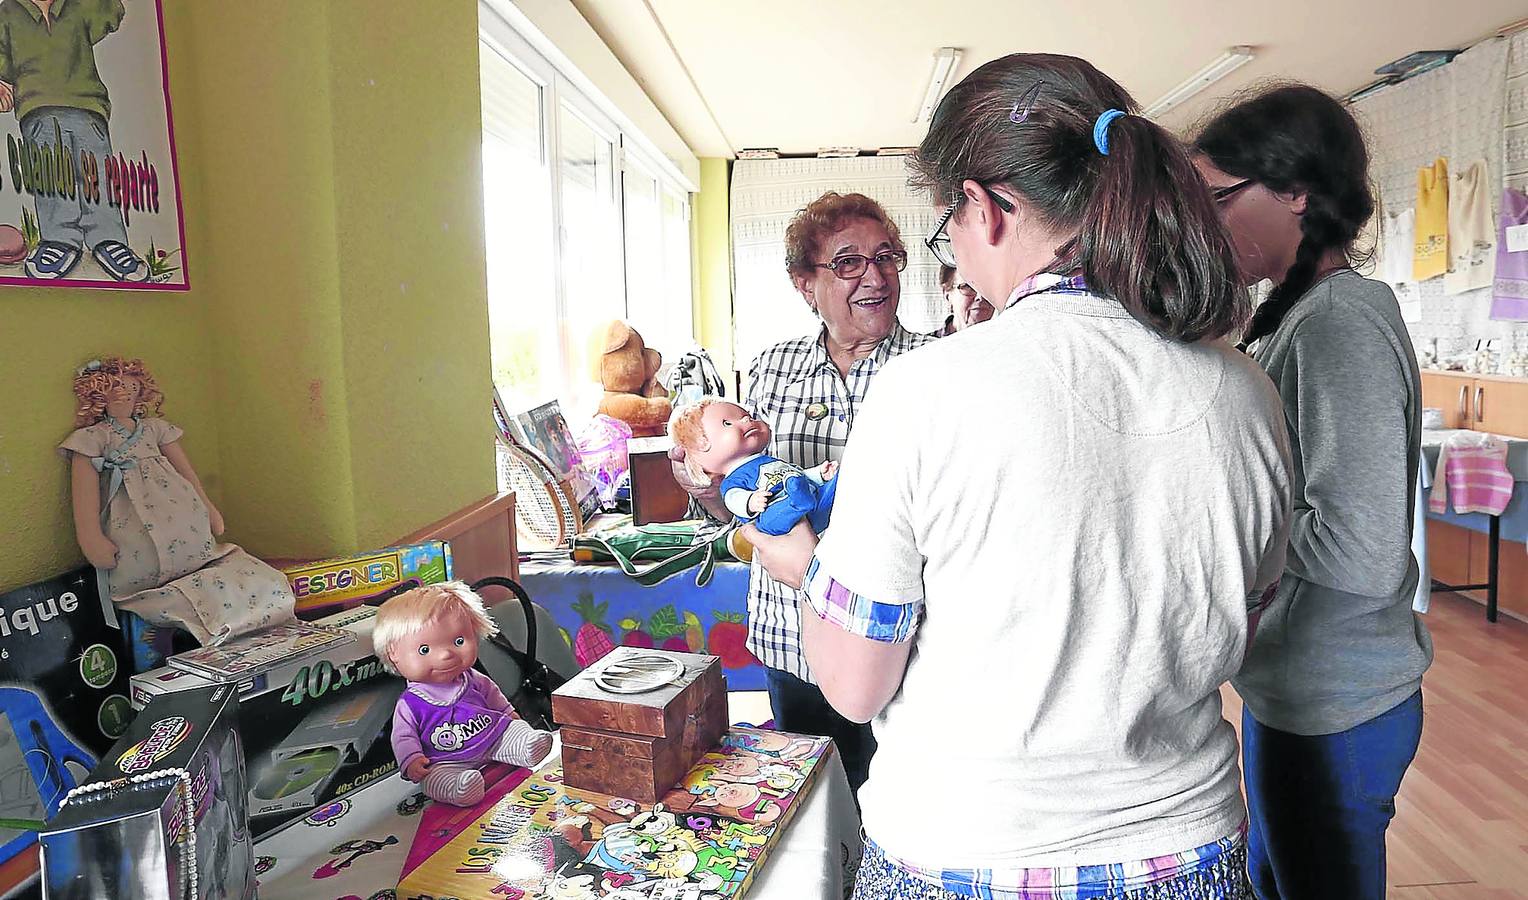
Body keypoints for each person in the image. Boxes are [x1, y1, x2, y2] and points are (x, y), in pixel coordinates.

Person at [748, 54, 1292, 899]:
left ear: (987, 207)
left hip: (970, 853)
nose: (954, 256)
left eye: (943, 230)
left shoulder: (929, 388)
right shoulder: (1246, 392)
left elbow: (854, 689)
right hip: (1189, 851)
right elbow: (1235, 633)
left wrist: (804, 568)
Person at [1194, 84, 1433, 899]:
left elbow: (1363, 550)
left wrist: (1226, 516)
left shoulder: (1340, 322)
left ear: (1298, 190)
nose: (1206, 221)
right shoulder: (1295, 316)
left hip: (1338, 705)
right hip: (1301, 690)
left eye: (1219, 197)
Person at [670, 191, 935, 794]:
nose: (875, 276)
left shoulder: (934, 366)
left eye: (886, 257)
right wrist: (706, 489)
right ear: (804, 284)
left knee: (899, 800)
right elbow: (735, 499)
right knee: (813, 805)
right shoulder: (770, 369)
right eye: (847, 262)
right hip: (791, 634)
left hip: (902, 638)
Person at [0, 0, 148, 281]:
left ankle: (108, 238)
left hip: (87, 105)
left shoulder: (80, 6)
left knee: (96, 173)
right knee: (52, 175)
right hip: (37, 107)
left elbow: (112, 11)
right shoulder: (7, 13)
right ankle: (60, 240)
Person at [935, 264, 994, 335]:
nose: (980, 297)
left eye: (987, 287)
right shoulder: (924, 345)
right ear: (947, 296)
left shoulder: (1007, 343)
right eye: (968, 287)